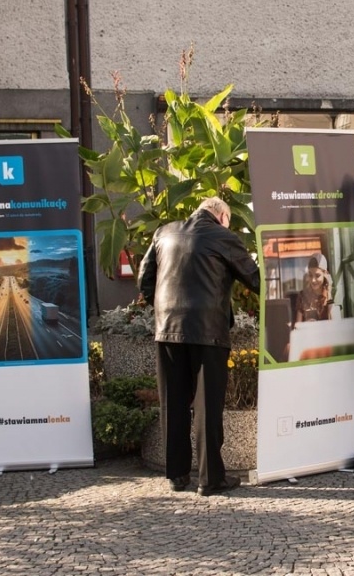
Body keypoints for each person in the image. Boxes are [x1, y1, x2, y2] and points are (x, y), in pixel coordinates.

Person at [138, 197, 260, 495]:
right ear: (222, 216)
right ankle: (211, 479)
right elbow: (256, 279)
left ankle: (177, 476)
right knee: (207, 407)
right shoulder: (224, 237)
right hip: (208, 331)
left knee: (173, 403)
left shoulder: (164, 232)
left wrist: (162, 308)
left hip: (167, 330)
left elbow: (144, 279)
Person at [295, 253, 334, 323]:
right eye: (310, 275)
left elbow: (334, 323)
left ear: (325, 274)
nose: (313, 280)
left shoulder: (331, 294)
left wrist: (329, 294)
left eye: (317, 275)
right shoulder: (302, 296)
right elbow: (298, 324)